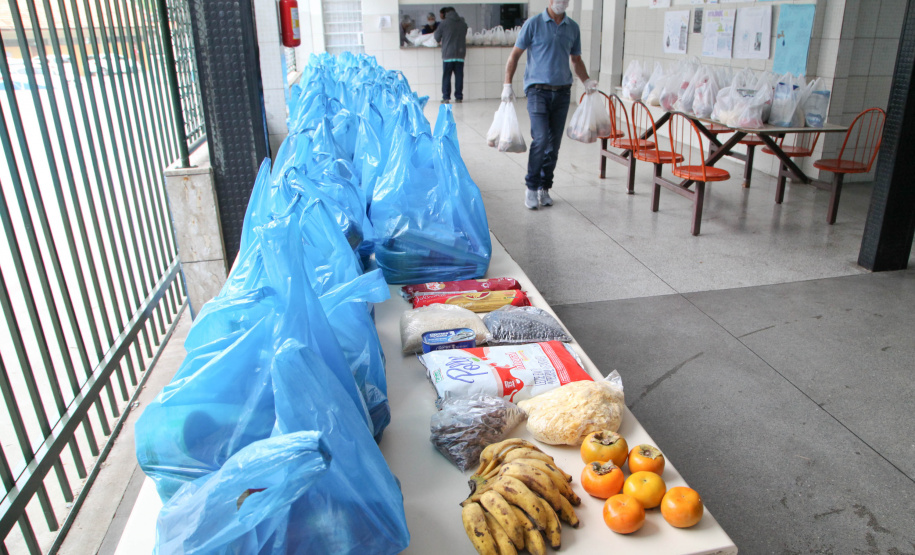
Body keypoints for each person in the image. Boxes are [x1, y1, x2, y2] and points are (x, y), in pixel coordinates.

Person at [503, 0, 597, 209]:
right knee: (541, 138)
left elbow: (576, 59)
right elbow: (515, 55)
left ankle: (545, 187)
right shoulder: (534, 24)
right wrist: (507, 84)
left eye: (565, 0)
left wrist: (587, 81)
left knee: (554, 146)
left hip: (562, 92)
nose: (561, 3)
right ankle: (531, 186)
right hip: (537, 91)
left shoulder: (572, 27)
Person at [434, 7, 468, 104]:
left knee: (446, 76)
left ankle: (446, 97)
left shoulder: (443, 24)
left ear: (446, 14)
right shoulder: (463, 23)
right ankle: (458, 97)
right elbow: (464, 33)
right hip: (460, 55)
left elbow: (436, 37)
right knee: (459, 76)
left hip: (448, 54)